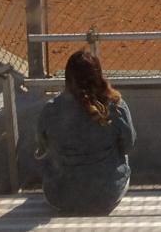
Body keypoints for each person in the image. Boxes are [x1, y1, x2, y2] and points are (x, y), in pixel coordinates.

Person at [36, 50, 135, 216]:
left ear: (67, 78)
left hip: (61, 198)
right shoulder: (116, 106)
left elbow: (41, 147)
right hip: (106, 197)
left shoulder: (50, 109)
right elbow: (128, 145)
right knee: (122, 154)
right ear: (99, 76)